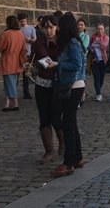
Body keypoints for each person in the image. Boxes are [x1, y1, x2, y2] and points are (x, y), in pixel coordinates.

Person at [51, 13, 87, 177]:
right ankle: (77, 158)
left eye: (59, 26)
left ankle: (69, 162)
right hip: (73, 85)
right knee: (70, 122)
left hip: (73, 85)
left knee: (68, 123)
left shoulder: (72, 42)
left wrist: (58, 64)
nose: (57, 28)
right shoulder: (70, 42)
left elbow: (76, 64)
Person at [32, 15, 63, 162]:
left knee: (56, 118)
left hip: (57, 84)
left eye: (51, 27)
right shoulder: (39, 42)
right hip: (42, 83)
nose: (49, 30)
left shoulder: (62, 42)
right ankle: (49, 151)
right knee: (44, 118)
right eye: (46, 27)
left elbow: (63, 60)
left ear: (56, 27)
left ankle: (62, 143)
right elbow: (40, 58)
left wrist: (57, 63)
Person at [0, 15, 27, 112]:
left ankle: (15, 102)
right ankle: (7, 103)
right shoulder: (21, 34)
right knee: (10, 82)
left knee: (10, 83)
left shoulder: (7, 33)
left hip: (8, 61)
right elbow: (24, 49)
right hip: (17, 61)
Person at [18, 13, 36, 100]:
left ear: (27, 20)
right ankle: (14, 93)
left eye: (24, 21)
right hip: (18, 54)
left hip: (28, 53)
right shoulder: (18, 29)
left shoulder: (31, 28)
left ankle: (26, 93)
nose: (23, 23)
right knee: (17, 74)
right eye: (21, 21)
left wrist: (30, 40)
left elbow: (35, 40)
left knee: (26, 75)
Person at [89, 23, 109, 102]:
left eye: (101, 29)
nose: (100, 30)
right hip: (94, 61)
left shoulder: (106, 37)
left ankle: (98, 89)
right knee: (96, 77)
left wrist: (100, 40)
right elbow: (90, 48)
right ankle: (99, 94)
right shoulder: (93, 37)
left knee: (101, 78)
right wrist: (92, 45)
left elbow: (104, 47)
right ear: (96, 29)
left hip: (103, 60)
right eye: (98, 28)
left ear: (103, 30)